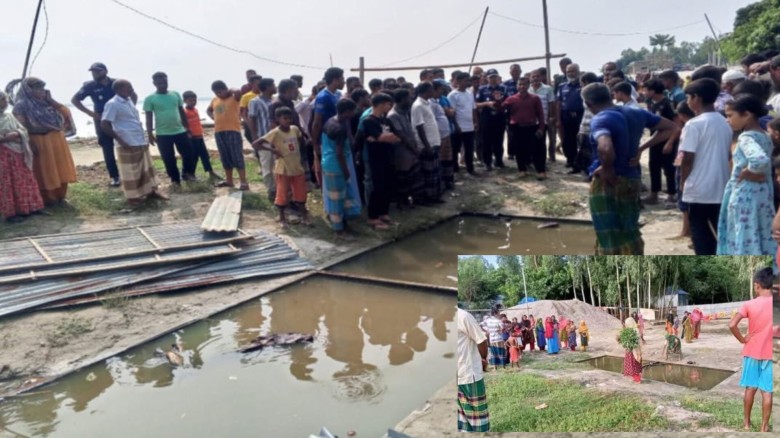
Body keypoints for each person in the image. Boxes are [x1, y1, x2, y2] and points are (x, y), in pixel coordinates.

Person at [582, 83, 676, 254]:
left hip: (608, 182)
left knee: (608, 233)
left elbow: (605, 147)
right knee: (629, 228)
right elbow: (671, 127)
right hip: (632, 178)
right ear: (610, 96)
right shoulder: (636, 112)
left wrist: (607, 169)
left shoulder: (601, 118)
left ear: (588, 104)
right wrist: (641, 148)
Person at [679, 79, 733, 255]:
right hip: (721, 185)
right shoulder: (725, 122)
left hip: (699, 188)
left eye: (689, 97)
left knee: (701, 235)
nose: (688, 102)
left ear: (697, 98)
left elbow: (687, 159)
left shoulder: (693, 124)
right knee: (719, 234)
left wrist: (683, 183)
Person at [718, 96, 777, 255]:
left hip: (746, 195)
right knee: (761, 235)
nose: (728, 120)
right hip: (763, 194)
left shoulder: (746, 137)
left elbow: (760, 160)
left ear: (747, 114)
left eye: (730, 115)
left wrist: (749, 172)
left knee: (745, 237)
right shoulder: (765, 135)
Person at [12, 77, 77, 206]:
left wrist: (51, 100)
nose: (41, 91)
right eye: (37, 88)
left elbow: (65, 113)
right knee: (44, 170)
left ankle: (60, 196)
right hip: (39, 140)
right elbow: (20, 126)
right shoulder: (21, 105)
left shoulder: (47, 103)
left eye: (42, 88)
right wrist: (28, 142)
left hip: (56, 139)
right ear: (28, 90)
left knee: (60, 168)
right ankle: (48, 198)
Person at [101, 79, 167, 205]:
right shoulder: (112, 104)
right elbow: (105, 124)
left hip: (139, 139)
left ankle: (151, 191)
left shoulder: (129, 101)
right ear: (118, 89)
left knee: (146, 168)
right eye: (128, 87)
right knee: (131, 171)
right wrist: (121, 140)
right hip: (127, 141)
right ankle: (133, 197)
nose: (131, 89)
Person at [729, 267, 773, 432]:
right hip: (771, 354)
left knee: (750, 388)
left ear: (757, 285)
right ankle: (764, 427)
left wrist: (743, 339)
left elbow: (732, 324)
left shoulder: (749, 304)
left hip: (752, 351)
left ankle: (746, 424)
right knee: (767, 392)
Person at [71, 62, 129, 187]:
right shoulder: (90, 86)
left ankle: (130, 172)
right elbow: (75, 100)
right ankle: (115, 176)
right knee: (107, 147)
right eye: (93, 71)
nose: (95, 74)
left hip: (119, 118)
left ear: (105, 71)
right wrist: (91, 114)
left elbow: (132, 94)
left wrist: (129, 109)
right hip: (102, 119)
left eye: (98, 71)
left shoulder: (116, 82)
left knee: (126, 143)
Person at [252, 107, 310, 228]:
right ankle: (282, 217)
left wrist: (303, 157)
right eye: (285, 118)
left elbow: (300, 141)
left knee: (300, 193)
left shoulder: (294, 129)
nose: (288, 120)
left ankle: (304, 216)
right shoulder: (275, 132)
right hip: (283, 168)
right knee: (282, 193)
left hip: (297, 167)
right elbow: (256, 144)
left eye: (289, 118)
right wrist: (273, 150)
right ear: (278, 119)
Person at [143, 72, 196, 186]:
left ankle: (187, 174)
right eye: (159, 82)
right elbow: (149, 117)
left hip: (180, 131)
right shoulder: (150, 98)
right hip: (163, 134)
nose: (162, 83)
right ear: (154, 83)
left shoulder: (175, 94)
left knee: (189, 153)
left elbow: (181, 112)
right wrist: (150, 133)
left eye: (164, 81)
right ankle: (175, 179)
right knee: (168, 158)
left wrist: (187, 127)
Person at [356, 93, 399, 230]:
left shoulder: (385, 120)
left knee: (387, 185)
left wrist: (381, 138)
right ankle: (373, 217)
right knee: (376, 187)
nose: (390, 107)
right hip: (375, 158)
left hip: (388, 156)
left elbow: (396, 137)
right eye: (388, 104)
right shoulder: (368, 121)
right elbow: (380, 137)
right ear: (380, 104)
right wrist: (381, 138)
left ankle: (383, 213)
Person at [0, 91, 44, 222]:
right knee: (8, 182)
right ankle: (11, 213)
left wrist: (17, 133)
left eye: (5, 99)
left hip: (18, 152)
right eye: (2, 100)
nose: (5, 102)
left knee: (24, 179)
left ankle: (30, 208)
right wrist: (5, 138)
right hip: (3, 155)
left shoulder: (9, 116)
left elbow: (23, 129)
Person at [321, 99, 361, 240]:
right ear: (346, 112)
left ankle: (343, 223)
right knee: (337, 199)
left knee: (342, 197)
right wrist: (345, 171)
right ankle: (338, 230)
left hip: (328, 162)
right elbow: (339, 153)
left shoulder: (330, 121)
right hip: (336, 166)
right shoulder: (340, 128)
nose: (353, 114)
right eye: (352, 111)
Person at [641, 78, 678, 206]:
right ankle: (654, 194)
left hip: (667, 139)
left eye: (646, 90)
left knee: (669, 168)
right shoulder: (650, 102)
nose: (644, 92)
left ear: (653, 91)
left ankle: (671, 195)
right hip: (655, 139)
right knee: (653, 166)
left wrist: (670, 142)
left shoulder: (667, 104)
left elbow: (677, 125)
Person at [501, 77, 546, 179]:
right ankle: (522, 170)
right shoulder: (511, 99)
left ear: (528, 85)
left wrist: (541, 128)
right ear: (517, 86)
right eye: (520, 84)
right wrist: (497, 100)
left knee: (536, 150)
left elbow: (540, 114)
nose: (522, 86)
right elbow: (500, 108)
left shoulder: (535, 98)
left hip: (531, 127)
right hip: (517, 128)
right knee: (519, 150)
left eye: (524, 84)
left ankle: (541, 171)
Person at [207, 80, 248, 190]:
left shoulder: (234, 98)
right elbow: (208, 110)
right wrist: (212, 117)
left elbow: (238, 91)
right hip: (219, 132)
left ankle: (243, 182)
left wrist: (230, 90)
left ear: (226, 89)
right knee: (225, 156)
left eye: (220, 91)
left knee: (237, 156)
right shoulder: (215, 100)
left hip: (233, 130)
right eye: (216, 92)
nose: (219, 94)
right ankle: (229, 181)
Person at [387, 89, 423, 208]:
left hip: (410, 149)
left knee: (412, 176)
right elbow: (401, 135)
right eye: (408, 97)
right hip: (402, 151)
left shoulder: (405, 112)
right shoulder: (393, 115)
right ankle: (402, 202)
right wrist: (414, 149)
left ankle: (410, 200)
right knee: (403, 177)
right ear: (402, 99)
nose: (411, 99)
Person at [312, 67, 346, 190]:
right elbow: (317, 122)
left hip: (338, 136)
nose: (344, 81)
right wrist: (315, 143)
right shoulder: (323, 97)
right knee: (329, 167)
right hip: (327, 137)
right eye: (342, 79)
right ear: (335, 80)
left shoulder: (337, 95)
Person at [457, 307, 489, 432]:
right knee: (460, 420)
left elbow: (481, 340)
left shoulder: (462, 316)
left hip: (468, 375)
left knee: (478, 418)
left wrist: (483, 359)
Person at [412, 83, 444, 204]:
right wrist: (427, 146)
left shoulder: (427, 103)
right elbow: (419, 127)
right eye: (431, 89)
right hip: (427, 145)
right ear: (425, 91)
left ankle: (435, 196)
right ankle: (426, 198)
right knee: (427, 173)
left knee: (435, 172)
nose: (433, 91)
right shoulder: (418, 105)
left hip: (434, 142)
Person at [182, 91, 221, 180]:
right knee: (193, 157)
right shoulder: (184, 112)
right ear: (184, 101)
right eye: (190, 100)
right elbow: (183, 124)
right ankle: (190, 173)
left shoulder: (195, 110)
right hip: (192, 138)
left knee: (205, 155)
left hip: (199, 136)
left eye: (194, 100)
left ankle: (211, 172)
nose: (193, 102)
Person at [248, 78, 277, 198]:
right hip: (263, 138)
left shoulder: (273, 101)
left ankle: (279, 189)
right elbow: (251, 119)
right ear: (267, 87)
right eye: (273, 85)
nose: (275, 87)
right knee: (267, 166)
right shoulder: (255, 102)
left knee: (277, 165)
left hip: (275, 138)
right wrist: (255, 137)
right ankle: (271, 190)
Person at [476, 69, 507, 170]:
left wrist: (500, 105)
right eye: (491, 77)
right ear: (487, 78)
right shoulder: (482, 89)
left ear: (498, 77)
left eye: (495, 77)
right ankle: (487, 163)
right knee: (486, 141)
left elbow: (508, 102)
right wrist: (487, 104)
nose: (493, 79)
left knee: (499, 140)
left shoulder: (503, 88)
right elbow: (476, 104)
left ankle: (499, 161)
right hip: (486, 118)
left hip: (499, 117)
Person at [448, 72, 478, 175]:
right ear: (459, 81)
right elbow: (452, 112)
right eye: (465, 80)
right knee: (455, 149)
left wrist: (476, 121)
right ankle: (455, 169)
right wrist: (456, 125)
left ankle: (470, 168)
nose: (467, 82)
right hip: (458, 127)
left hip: (469, 126)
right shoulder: (452, 95)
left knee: (469, 149)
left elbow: (473, 108)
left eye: (468, 80)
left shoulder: (470, 93)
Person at [557, 63, 584, 170]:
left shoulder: (583, 85)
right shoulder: (562, 86)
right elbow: (558, 103)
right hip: (566, 116)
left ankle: (581, 161)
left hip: (580, 115)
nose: (571, 73)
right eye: (568, 71)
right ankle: (570, 160)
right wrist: (558, 119)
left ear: (578, 71)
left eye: (573, 71)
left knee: (581, 140)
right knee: (568, 140)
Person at [529, 69, 557, 164]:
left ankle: (548, 158)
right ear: (530, 78)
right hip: (532, 121)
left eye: (537, 76)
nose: (535, 78)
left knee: (547, 139)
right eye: (533, 76)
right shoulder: (528, 89)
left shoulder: (548, 88)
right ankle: (534, 159)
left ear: (541, 77)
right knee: (535, 140)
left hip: (546, 119)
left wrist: (551, 116)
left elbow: (551, 103)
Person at [240, 75, 262, 145]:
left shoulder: (266, 95)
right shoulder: (246, 96)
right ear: (252, 84)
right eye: (257, 84)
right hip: (252, 123)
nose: (260, 85)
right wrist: (247, 123)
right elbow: (243, 112)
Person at [620, 317, 642, 383]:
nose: (626, 325)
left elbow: (636, 342)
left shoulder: (634, 331)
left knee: (634, 365)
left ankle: (637, 380)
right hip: (631, 350)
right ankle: (636, 378)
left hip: (633, 351)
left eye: (627, 324)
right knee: (633, 365)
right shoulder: (631, 330)